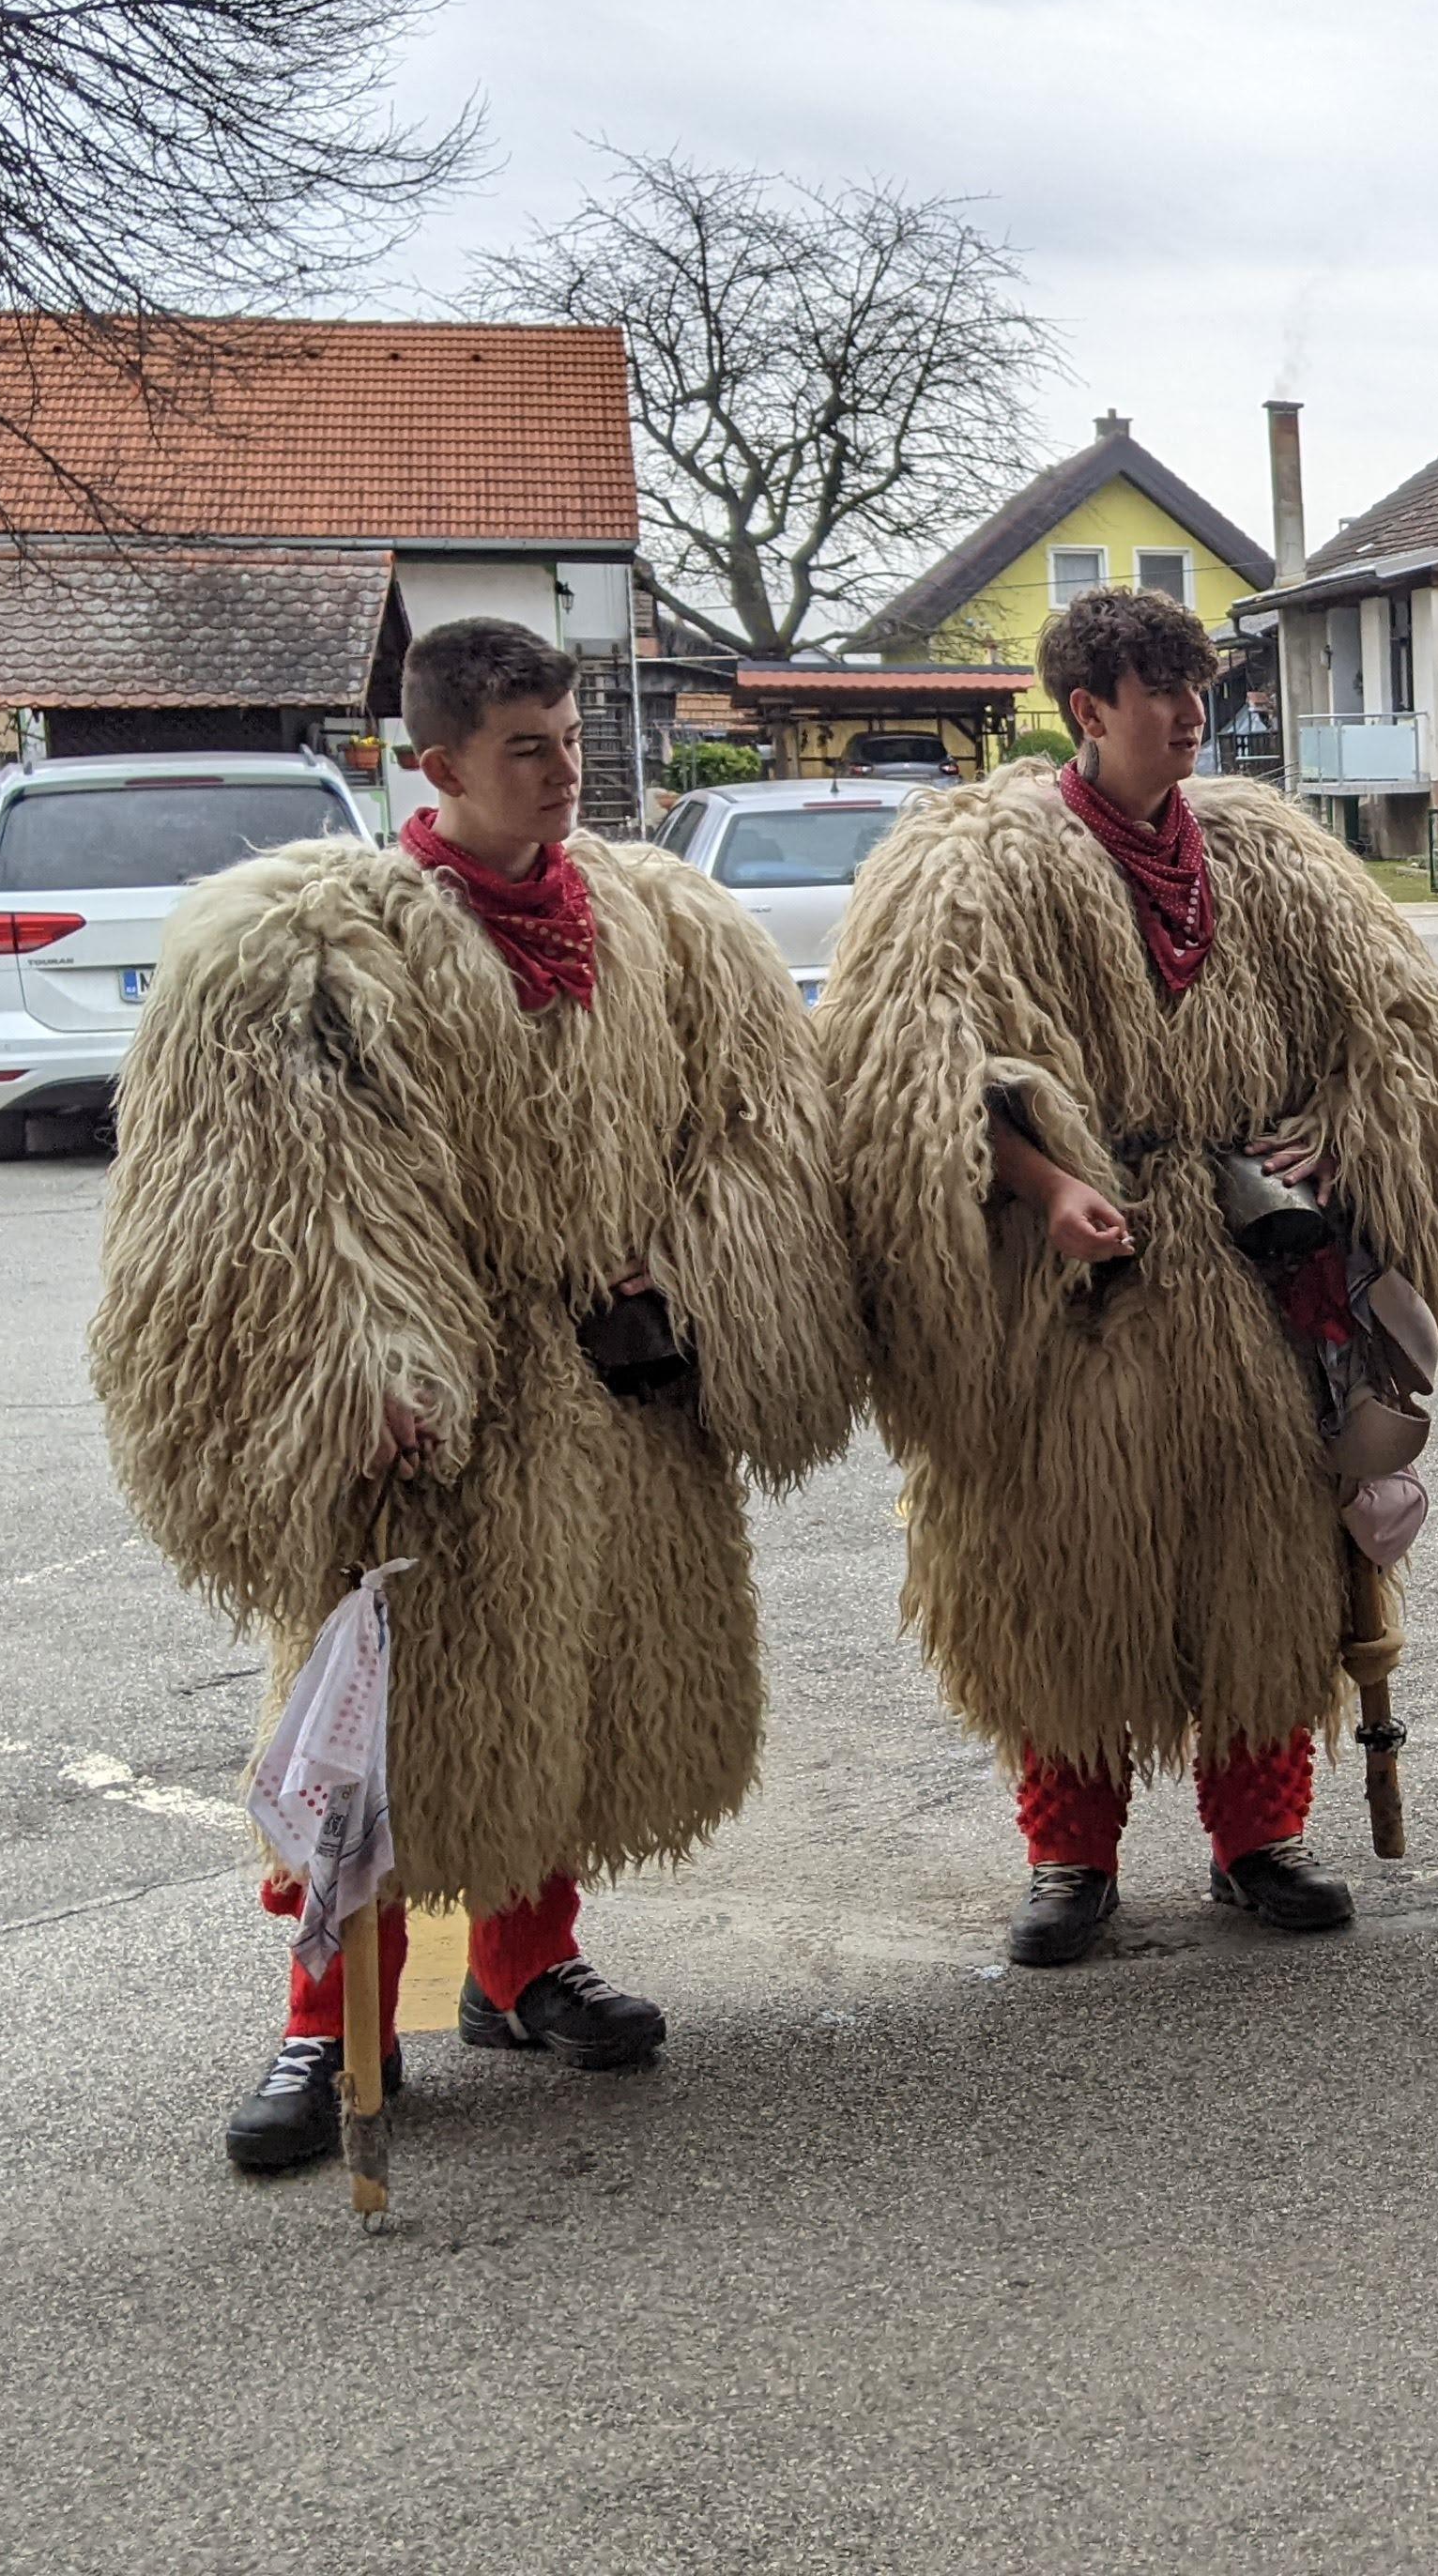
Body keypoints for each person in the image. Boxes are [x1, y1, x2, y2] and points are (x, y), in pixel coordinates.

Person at [90, 618, 861, 2173]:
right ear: (435, 764)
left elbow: (753, 1122)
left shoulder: (665, 924)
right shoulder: (316, 945)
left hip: (616, 1391)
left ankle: (524, 1966)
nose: (563, 772)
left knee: (577, 1691)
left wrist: (690, 1267)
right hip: (445, 1412)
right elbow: (271, 1186)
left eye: (571, 741)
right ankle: (330, 2024)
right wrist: (364, 1358)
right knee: (379, 1729)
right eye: (527, 749)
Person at [818, 587, 1438, 1968]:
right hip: (1071, 1296)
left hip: (1253, 1279)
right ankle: (1071, 1855)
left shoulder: (1269, 856)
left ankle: (1261, 1837)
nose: (1193, 715)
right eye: (1163, 693)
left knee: (1269, 1559)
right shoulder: (978, 865)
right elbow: (909, 1065)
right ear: (1088, 710)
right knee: (1061, 1567)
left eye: (1201, 688)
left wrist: (1346, 1125)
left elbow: (1400, 1027)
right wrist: (1042, 1178)